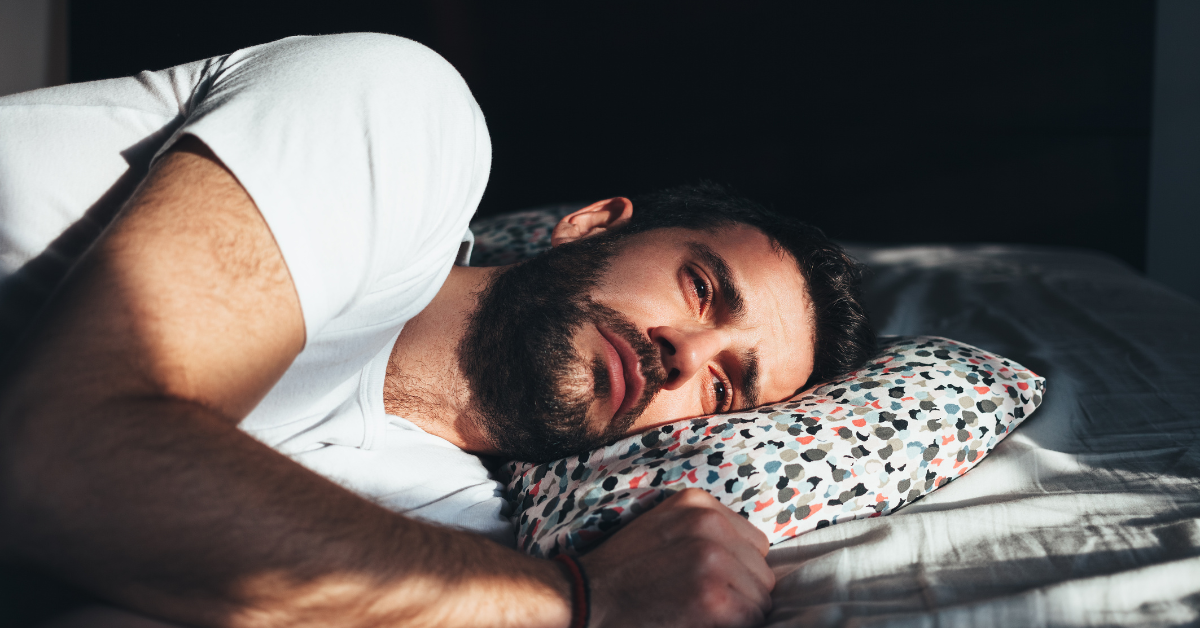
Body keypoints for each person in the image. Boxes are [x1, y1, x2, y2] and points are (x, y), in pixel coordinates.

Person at [0, 34, 873, 627]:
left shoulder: (455, 537)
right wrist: (578, 602)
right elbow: (62, 458)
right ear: (593, 224)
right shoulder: (411, 125)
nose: (685, 353)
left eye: (724, 387)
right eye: (700, 287)